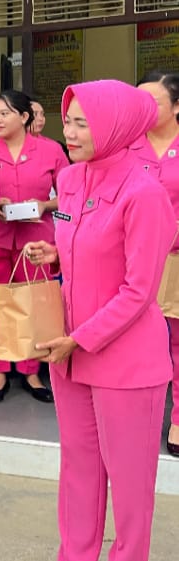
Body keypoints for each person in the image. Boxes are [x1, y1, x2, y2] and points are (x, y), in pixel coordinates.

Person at [26, 80, 173, 561]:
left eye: (83, 123)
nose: (69, 132)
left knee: (130, 490)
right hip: (69, 359)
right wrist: (55, 254)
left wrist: (79, 339)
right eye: (67, 120)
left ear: (114, 125)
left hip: (125, 364)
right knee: (80, 474)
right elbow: (83, 249)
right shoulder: (69, 180)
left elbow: (138, 290)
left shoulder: (145, 193)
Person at [0, 90, 68, 404]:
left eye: (4, 113)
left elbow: (69, 193)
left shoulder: (51, 152)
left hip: (38, 240)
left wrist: (44, 204)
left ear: (24, 117)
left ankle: (32, 370)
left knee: (36, 302)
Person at [132, 70, 179, 456]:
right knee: (138, 338)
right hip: (136, 260)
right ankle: (139, 414)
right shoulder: (128, 147)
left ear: (177, 106)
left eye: (155, 102)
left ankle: (178, 417)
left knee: (177, 341)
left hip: (177, 259)